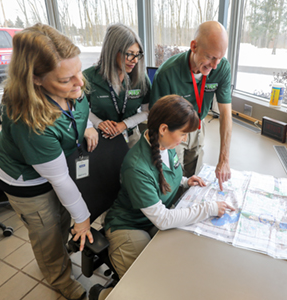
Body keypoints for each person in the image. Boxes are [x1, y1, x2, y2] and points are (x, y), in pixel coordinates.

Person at [89, 95, 235, 300]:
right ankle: (104, 295)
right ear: (164, 129)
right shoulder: (137, 166)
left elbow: (167, 176)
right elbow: (163, 220)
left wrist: (185, 181)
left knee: (175, 268)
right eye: (183, 134)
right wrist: (209, 208)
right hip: (128, 226)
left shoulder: (164, 146)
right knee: (147, 287)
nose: (184, 139)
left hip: (151, 218)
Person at [0, 23, 97, 300]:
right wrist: (82, 219)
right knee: (46, 231)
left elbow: (80, 111)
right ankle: (60, 279)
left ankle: (63, 246)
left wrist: (86, 126)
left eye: (78, 71)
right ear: (35, 79)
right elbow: (59, 179)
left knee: (62, 217)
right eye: (66, 80)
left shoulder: (71, 85)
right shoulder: (29, 119)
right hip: (24, 179)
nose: (80, 83)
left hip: (52, 167)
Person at [149, 20, 233, 191]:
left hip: (198, 126)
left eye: (220, 58)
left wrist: (224, 159)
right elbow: (155, 120)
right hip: (174, 131)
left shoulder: (221, 68)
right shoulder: (167, 73)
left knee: (194, 177)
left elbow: (226, 114)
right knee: (173, 181)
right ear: (194, 46)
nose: (215, 65)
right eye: (210, 57)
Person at [83, 23, 151, 148]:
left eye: (137, 54)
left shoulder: (141, 78)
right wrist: (99, 123)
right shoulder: (88, 77)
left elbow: (147, 111)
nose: (135, 60)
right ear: (113, 51)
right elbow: (80, 110)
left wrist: (124, 124)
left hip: (131, 136)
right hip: (100, 137)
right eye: (130, 53)